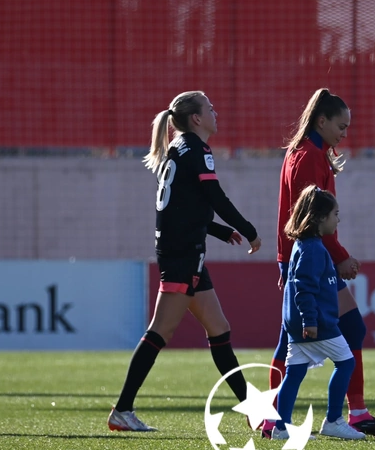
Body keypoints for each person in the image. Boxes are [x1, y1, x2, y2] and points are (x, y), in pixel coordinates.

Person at [108, 91, 262, 432]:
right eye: (210, 108)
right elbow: (215, 196)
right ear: (196, 119)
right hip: (182, 257)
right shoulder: (196, 150)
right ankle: (122, 410)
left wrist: (220, 232)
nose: (216, 111)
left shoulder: (179, 151)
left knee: (219, 331)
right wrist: (249, 230)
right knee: (159, 333)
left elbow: (184, 208)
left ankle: (254, 411)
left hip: (186, 253)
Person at [263, 88, 375, 437]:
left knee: (290, 341)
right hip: (312, 258)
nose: (345, 132)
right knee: (350, 329)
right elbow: (312, 220)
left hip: (302, 257)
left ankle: (276, 416)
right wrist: (341, 258)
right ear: (321, 120)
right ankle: (350, 414)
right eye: (341, 125)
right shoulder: (309, 156)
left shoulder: (308, 152)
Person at [273, 186, 365, 441]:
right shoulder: (312, 248)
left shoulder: (303, 245)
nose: (338, 219)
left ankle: (281, 428)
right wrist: (311, 320)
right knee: (346, 362)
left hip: (297, 323)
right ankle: (333, 420)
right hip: (318, 323)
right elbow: (304, 288)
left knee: (295, 373)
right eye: (335, 214)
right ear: (320, 218)